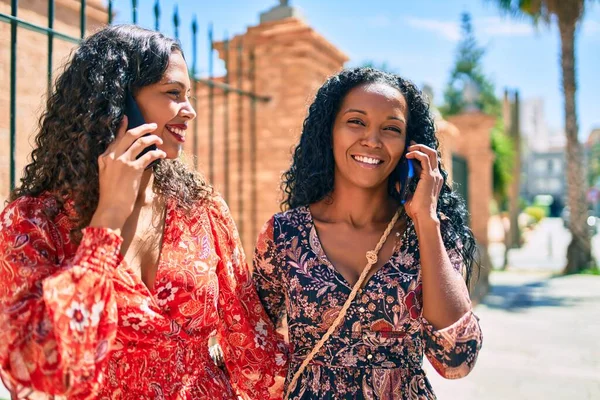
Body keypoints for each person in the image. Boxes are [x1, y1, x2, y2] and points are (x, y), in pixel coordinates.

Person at [0, 25, 286, 399]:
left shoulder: (203, 210)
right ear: (119, 102)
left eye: (189, 96)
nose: (191, 111)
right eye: (173, 94)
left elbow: (251, 344)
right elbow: (38, 365)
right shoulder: (34, 222)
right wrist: (107, 221)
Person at [253, 67, 482, 399]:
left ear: (410, 145)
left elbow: (457, 359)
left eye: (391, 128)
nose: (372, 141)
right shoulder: (285, 235)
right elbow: (250, 344)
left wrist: (426, 221)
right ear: (328, 131)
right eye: (356, 122)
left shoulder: (431, 233)